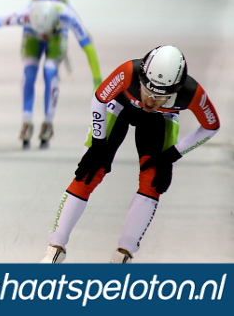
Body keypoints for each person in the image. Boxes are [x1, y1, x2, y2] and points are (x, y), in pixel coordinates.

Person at [40, 45, 220, 264]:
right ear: (141, 78)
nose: (150, 101)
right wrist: (98, 142)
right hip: (119, 106)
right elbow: (100, 99)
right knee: (89, 170)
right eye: (147, 91)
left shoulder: (193, 93)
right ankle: (55, 248)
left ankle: (123, 254)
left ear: (176, 91)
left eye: (159, 97)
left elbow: (211, 126)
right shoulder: (128, 71)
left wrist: (172, 155)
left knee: (153, 180)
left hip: (160, 120)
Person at [0, 0, 101, 148]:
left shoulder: (68, 17)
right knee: (29, 72)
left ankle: (48, 122)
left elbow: (88, 48)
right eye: (41, 33)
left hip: (57, 34)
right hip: (32, 32)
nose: (44, 37)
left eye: (46, 33)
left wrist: (97, 81)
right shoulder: (24, 16)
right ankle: (26, 121)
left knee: (50, 71)